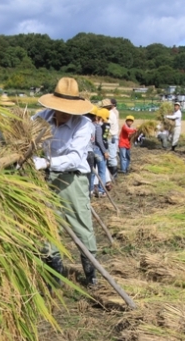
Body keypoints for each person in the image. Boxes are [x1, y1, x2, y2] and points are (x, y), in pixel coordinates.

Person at [33, 77, 99, 287]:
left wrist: (46, 162)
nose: (63, 112)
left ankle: (91, 276)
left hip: (73, 180)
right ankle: (56, 276)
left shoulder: (84, 125)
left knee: (81, 226)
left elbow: (75, 158)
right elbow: (25, 131)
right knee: (48, 225)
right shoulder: (42, 117)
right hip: (46, 180)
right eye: (60, 107)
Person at [87, 107, 109, 198]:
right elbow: (99, 140)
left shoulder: (87, 126)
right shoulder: (97, 127)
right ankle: (101, 191)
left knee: (92, 171)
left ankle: (91, 190)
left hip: (91, 151)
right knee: (102, 171)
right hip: (98, 151)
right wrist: (104, 152)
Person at [102, 98, 120, 179]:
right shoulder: (111, 113)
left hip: (110, 137)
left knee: (111, 157)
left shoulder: (109, 114)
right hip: (111, 136)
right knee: (110, 156)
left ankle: (113, 176)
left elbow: (106, 127)